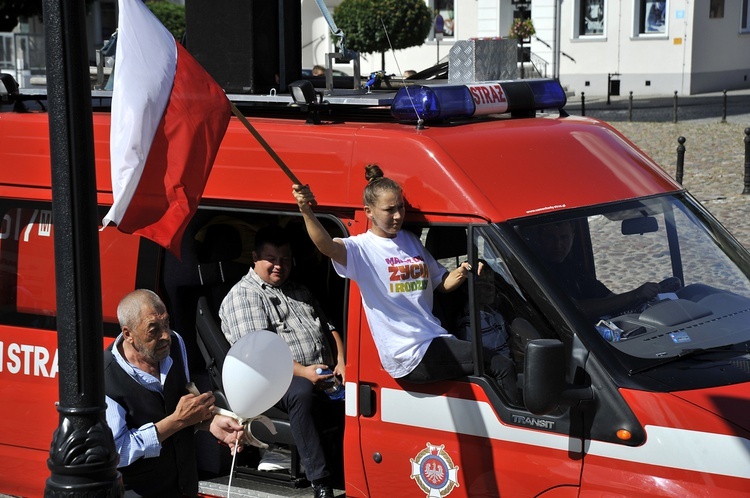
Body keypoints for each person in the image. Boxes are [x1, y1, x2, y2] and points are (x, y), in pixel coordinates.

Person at [292, 164, 519, 404]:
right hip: (408, 354)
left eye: (400, 207)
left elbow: (442, 283)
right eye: (389, 210)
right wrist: (305, 210)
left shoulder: (410, 240)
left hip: (434, 339)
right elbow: (326, 246)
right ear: (369, 212)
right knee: (500, 365)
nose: (399, 215)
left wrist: (464, 270)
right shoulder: (361, 249)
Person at [219, 225, 344, 498]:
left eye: (285, 260)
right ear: (255, 258)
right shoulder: (245, 295)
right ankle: (321, 481)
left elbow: (329, 325)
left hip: (322, 371)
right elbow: (259, 355)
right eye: (271, 259)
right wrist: (305, 373)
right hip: (270, 379)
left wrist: (342, 361)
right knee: (301, 392)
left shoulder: (298, 289)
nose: (279, 266)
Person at [104, 289, 245, 498]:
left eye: (167, 324)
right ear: (128, 334)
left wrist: (210, 423)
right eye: (153, 330)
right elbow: (117, 451)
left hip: (184, 486)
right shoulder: (106, 376)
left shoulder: (176, 344)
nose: (165, 336)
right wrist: (177, 421)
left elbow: (181, 407)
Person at [534, 221, 660, 319]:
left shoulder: (572, 266)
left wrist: (639, 299)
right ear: (539, 239)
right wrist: (634, 294)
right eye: (551, 238)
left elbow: (607, 297)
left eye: (564, 237)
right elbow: (577, 310)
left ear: (573, 237)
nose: (558, 245)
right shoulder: (538, 270)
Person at [455, 261, 512, 359]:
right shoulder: (471, 322)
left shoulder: (493, 312)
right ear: (466, 288)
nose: (491, 288)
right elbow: (491, 360)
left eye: (491, 282)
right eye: (482, 283)